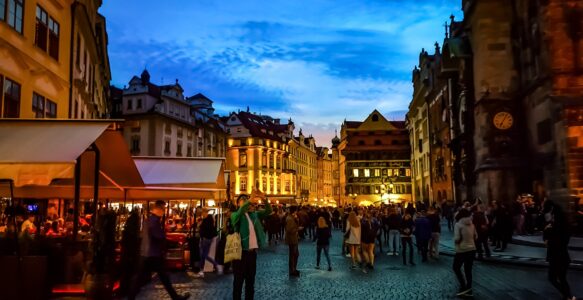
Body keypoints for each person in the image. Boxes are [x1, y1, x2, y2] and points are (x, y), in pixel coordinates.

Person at [128, 201, 190, 300]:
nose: (164, 211)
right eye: (163, 209)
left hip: (146, 254)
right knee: (161, 277)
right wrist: (171, 243)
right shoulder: (154, 222)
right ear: (157, 209)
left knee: (143, 279)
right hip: (153, 255)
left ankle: (131, 297)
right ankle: (175, 297)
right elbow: (159, 236)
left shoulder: (148, 220)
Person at [231, 192, 272, 300]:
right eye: (242, 200)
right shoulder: (236, 215)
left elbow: (269, 211)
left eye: (246, 199)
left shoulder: (254, 215)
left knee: (250, 283)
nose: (245, 201)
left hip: (252, 254)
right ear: (238, 204)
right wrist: (249, 200)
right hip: (240, 254)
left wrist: (264, 199)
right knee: (238, 283)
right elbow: (240, 211)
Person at [543, 200, 575, 300]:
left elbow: (548, 241)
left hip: (557, 256)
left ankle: (568, 296)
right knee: (561, 278)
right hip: (562, 256)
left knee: (552, 277)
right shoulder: (560, 225)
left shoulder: (556, 227)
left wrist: (547, 230)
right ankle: (568, 296)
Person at [452, 208, 477, 297]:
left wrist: (457, 242)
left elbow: (457, 239)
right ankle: (469, 288)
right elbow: (475, 236)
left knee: (456, 267)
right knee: (468, 270)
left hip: (462, 250)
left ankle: (463, 286)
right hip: (472, 249)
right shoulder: (472, 224)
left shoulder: (458, 225)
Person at [194, 208, 219, 278]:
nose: (202, 214)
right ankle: (202, 270)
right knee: (203, 255)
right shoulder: (209, 220)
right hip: (207, 239)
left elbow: (204, 230)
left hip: (205, 239)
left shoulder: (206, 220)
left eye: (202, 213)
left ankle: (203, 270)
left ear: (205, 213)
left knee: (203, 255)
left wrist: (200, 226)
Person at [285, 206, 300, 277]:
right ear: (294, 211)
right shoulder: (290, 219)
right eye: (296, 211)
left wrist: (297, 220)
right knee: (293, 255)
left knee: (296, 254)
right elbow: (289, 230)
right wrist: (298, 229)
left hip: (294, 239)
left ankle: (294, 269)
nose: (296, 212)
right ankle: (292, 270)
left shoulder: (292, 218)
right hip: (292, 239)